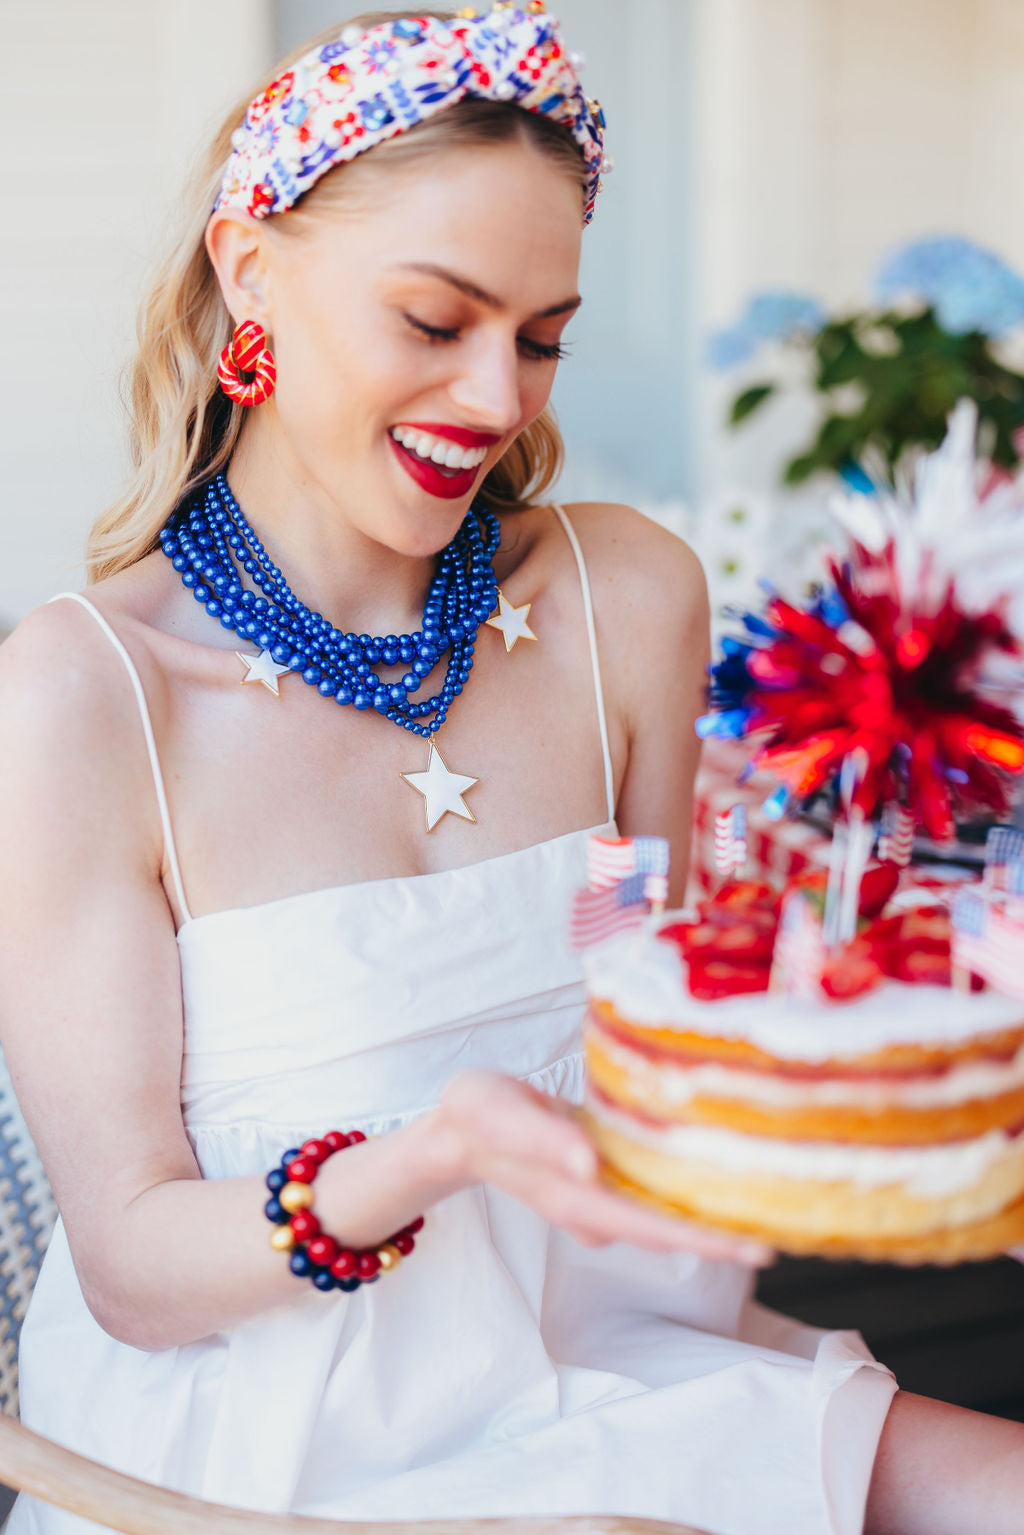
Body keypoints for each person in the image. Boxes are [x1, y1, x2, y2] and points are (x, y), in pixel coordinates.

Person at [0, 7, 1022, 1535]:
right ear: (249, 267)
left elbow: (626, 959)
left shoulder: (626, 601)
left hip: (629, 1367)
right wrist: (429, 1159)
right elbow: (136, 1272)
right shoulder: (88, 697)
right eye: (434, 320)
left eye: (541, 335)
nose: (498, 400)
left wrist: (817, 959)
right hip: (279, 1455)